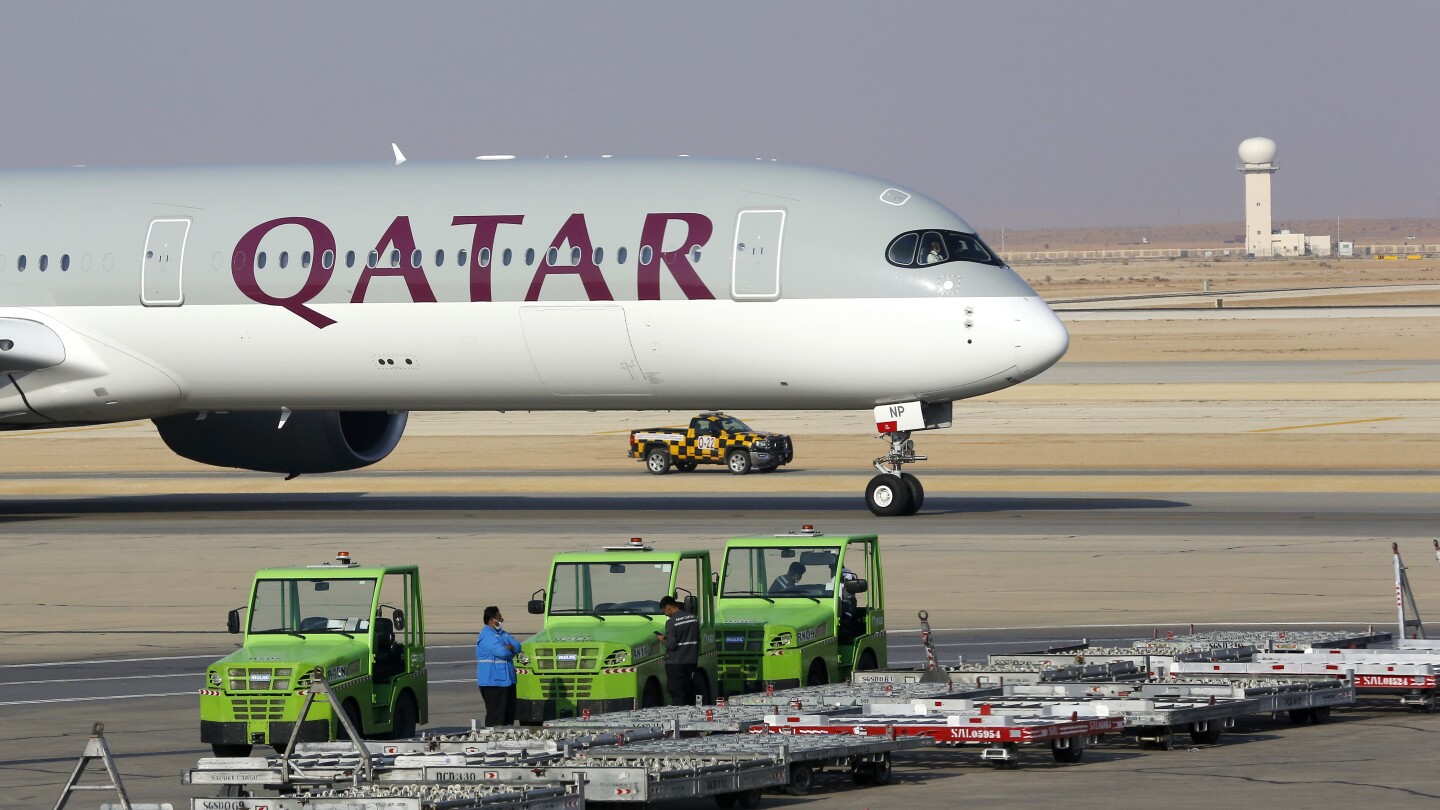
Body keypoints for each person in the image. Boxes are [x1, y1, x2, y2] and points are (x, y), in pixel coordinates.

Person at [475, 605, 519, 726]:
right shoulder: (487, 636)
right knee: (496, 717)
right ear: (491, 620)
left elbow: (518, 645)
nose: (502, 620)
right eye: (499, 618)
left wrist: (511, 647)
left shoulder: (502, 634)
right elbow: (503, 653)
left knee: (508, 716)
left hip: (507, 681)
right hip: (493, 683)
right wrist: (510, 650)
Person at [654, 595, 699, 706]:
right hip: (691, 661)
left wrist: (662, 640)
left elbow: (671, 645)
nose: (665, 614)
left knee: (677, 693)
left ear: (668, 607)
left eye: (664, 611)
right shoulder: (693, 618)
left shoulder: (671, 622)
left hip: (675, 663)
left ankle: (679, 714)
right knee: (689, 692)